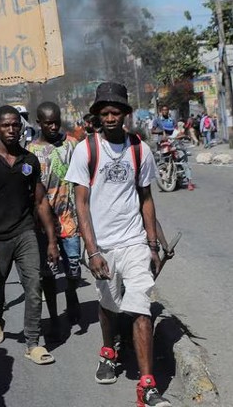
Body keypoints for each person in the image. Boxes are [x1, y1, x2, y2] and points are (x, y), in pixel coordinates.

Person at [65, 83, 171, 407]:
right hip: (103, 246)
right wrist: (93, 250)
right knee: (109, 306)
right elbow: (80, 204)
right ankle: (109, 349)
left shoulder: (140, 149)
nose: (110, 117)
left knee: (141, 304)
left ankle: (147, 386)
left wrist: (152, 245)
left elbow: (146, 198)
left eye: (116, 112)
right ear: (98, 115)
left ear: (125, 114)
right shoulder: (87, 149)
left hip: (135, 241)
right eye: (105, 112)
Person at [0, 105, 59, 365]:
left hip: (25, 233)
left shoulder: (29, 161)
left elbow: (41, 202)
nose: (11, 130)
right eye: (6, 125)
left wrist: (52, 240)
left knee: (33, 287)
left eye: (15, 125)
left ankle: (32, 342)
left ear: (21, 127)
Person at [29, 102, 82, 335]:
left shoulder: (72, 145)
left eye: (56, 122)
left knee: (74, 268)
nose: (52, 127)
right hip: (43, 223)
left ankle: (72, 293)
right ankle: (53, 316)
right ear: (38, 122)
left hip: (69, 218)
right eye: (47, 123)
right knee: (48, 273)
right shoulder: (31, 151)